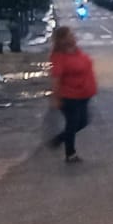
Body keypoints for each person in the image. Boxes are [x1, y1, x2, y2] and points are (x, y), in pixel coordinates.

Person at [47, 25, 96, 164]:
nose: (73, 37)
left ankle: (59, 139)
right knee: (73, 123)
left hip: (83, 94)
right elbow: (56, 78)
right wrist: (56, 98)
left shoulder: (75, 51)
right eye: (70, 35)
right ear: (63, 39)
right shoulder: (59, 56)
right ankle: (70, 153)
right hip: (69, 95)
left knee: (82, 122)